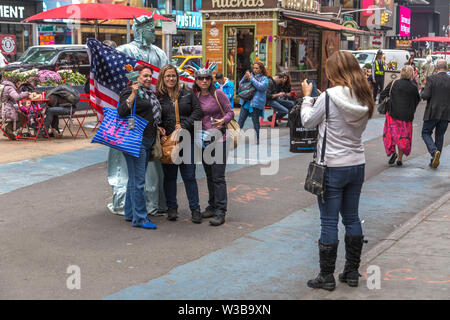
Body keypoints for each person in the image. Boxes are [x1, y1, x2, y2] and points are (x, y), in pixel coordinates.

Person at [301, 51, 374, 291]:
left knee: (329, 221)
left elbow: (308, 121)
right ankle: (351, 272)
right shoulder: (364, 95)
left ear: (335, 72)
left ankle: (326, 276)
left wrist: (307, 98)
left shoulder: (330, 96)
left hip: (332, 166)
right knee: (352, 217)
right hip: (357, 164)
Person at [106, 14, 170, 218]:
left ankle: (152, 205)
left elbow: (168, 79)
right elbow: (113, 83)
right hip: (129, 126)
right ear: (140, 30)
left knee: (153, 167)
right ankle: (131, 209)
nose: (154, 32)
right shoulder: (124, 51)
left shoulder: (160, 53)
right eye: (151, 29)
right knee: (128, 170)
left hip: (151, 124)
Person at [117, 64, 163, 229]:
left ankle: (130, 213)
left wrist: (157, 126)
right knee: (138, 181)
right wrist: (134, 93)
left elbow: (148, 114)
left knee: (135, 179)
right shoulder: (129, 92)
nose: (148, 79)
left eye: (150, 76)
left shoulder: (149, 93)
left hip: (147, 139)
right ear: (136, 77)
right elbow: (121, 111)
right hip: (136, 140)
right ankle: (141, 219)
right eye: (145, 76)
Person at [157, 64, 203, 223]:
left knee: (189, 176)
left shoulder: (187, 93)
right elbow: (156, 118)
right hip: (169, 143)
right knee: (169, 177)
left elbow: (198, 112)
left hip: (187, 140)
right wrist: (160, 131)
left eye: (173, 76)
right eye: (168, 76)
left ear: (177, 77)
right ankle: (172, 208)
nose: (171, 78)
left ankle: (195, 209)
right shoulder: (159, 97)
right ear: (163, 78)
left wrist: (184, 125)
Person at [194, 65, 235, 226]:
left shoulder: (218, 94)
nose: (204, 81)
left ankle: (220, 211)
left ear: (211, 80)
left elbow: (230, 112)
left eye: (207, 78)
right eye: (200, 78)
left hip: (219, 140)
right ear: (196, 81)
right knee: (209, 176)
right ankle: (211, 206)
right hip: (203, 141)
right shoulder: (195, 95)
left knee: (218, 177)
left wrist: (223, 120)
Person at [380, 66, 420, 166]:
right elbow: (417, 100)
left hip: (393, 115)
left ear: (401, 73)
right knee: (403, 138)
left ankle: (393, 153)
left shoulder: (394, 83)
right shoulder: (413, 87)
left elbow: (382, 95)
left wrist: (388, 102)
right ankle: (400, 159)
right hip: (406, 117)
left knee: (390, 135)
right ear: (411, 74)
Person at [420, 59, 450, 169]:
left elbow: (426, 95)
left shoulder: (431, 79)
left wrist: (422, 93)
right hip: (446, 112)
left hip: (432, 111)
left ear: (436, 68)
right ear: (446, 68)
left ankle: (433, 152)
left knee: (425, 132)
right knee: (440, 135)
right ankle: (435, 159)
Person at [237, 61, 268, 145]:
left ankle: (257, 139)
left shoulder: (264, 78)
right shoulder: (250, 76)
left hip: (255, 103)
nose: (254, 70)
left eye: (257, 68)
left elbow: (261, 87)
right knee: (240, 121)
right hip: (246, 102)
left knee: (255, 122)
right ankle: (236, 139)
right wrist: (244, 77)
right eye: (253, 68)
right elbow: (241, 85)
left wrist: (251, 78)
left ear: (261, 69)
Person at [0, 76, 29, 140]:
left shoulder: (4, 86)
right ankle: (8, 129)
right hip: (6, 110)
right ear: (15, 83)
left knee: (21, 116)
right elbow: (17, 97)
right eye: (18, 84)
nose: (19, 85)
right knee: (24, 117)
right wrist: (27, 93)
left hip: (3, 109)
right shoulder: (9, 88)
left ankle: (8, 130)